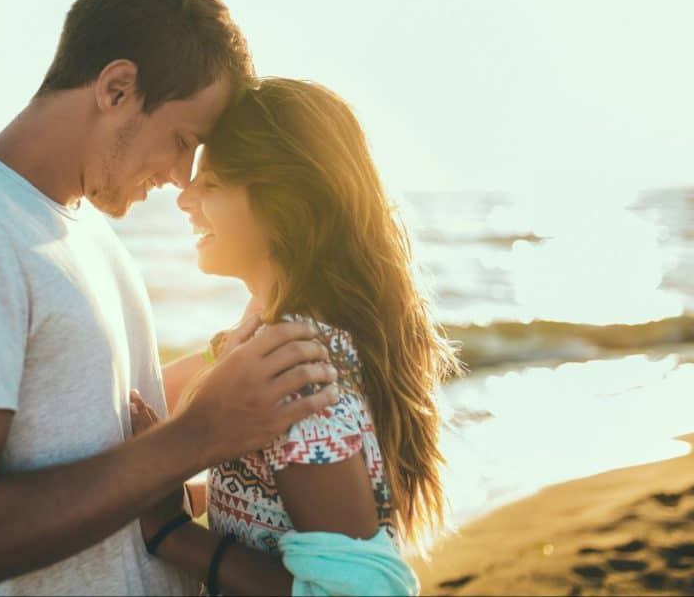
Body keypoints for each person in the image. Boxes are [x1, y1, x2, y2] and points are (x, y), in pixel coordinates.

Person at [0, 0, 341, 596]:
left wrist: (225, 362)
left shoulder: (82, 228)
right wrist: (200, 435)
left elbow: (82, 416)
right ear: (116, 89)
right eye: (181, 139)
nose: (181, 178)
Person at [129, 78, 460, 595]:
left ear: (284, 203)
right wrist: (181, 494)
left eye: (212, 183)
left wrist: (172, 534)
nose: (185, 199)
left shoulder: (292, 370)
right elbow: (270, 505)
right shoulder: (266, 337)